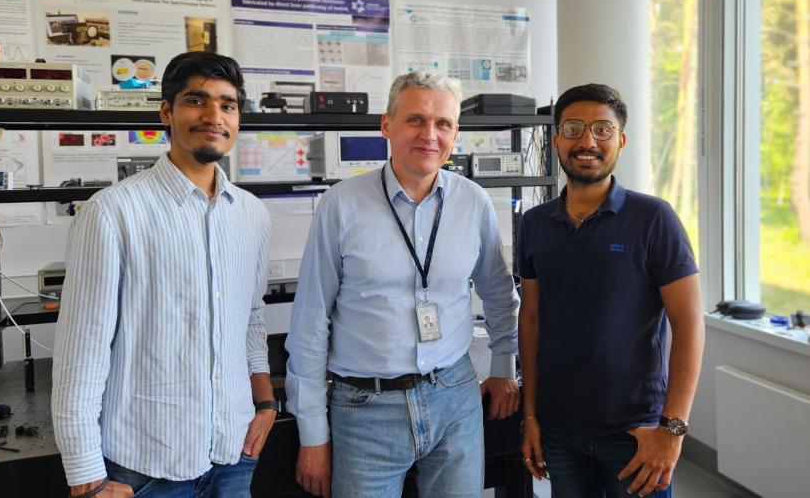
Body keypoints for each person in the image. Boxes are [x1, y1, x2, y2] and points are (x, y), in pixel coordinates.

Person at [285, 71, 521, 497]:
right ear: (386, 125)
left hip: (455, 396)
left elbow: (500, 294)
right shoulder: (341, 205)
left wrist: (504, 367)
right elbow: (310, 322)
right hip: (365, 410)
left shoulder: (473, 202)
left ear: (455, 134)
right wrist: (312, 433)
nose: (429, 134)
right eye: (415, 119)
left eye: (443, 123)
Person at [52, 52, 277, 498]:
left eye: (228, 105)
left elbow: (251, 318)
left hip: (234, 453)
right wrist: (86, 477)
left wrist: (265, 401)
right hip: (146, 468)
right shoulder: (113, 212)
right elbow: (82, 351)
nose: (214, 116)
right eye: (197, 101)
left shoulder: (252, 214)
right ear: (166, 112)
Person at [517, 84, 705, 498]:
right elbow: (530, 319)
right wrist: (529, 416)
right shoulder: (534, 223)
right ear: (556, 140)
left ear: (620, 141)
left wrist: (672, 431)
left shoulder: (653, 218)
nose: (587, 141)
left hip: (635, 433)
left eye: (603, 130)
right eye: (574, 129)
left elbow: (689, 325)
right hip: (559, 429)